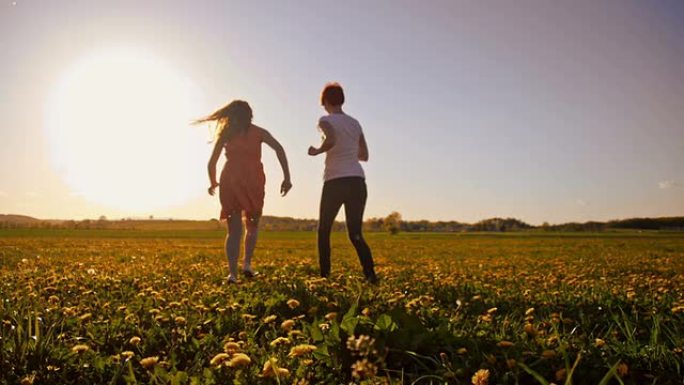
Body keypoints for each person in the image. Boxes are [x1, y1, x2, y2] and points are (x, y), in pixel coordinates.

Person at [199, 100, 292, 284]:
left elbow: (212, 162)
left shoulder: (227, 134)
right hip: (253, 182)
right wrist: (286, 177)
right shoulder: (259, 132)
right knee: (252, 225)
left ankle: (232, 274)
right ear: (250, 115)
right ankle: (247, 264)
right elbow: (279, 148)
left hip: (231, 181)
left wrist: (213, 182)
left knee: (234, 231)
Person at [308, 83, 378, 283]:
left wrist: (318, 150)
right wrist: (348, 150)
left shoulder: (325, 120)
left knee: (324, 231)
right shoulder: (355, 123)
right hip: (357, 180)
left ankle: (325, 277)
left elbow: (330, 139)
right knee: (355, 233)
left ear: (326, 101)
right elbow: (364, 155)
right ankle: (370, 275)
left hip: (336, 181)